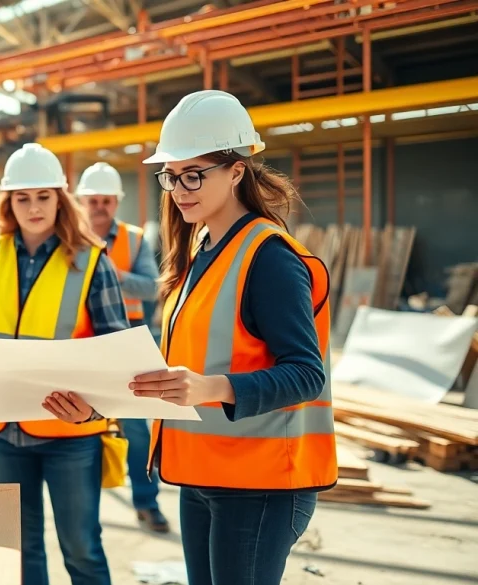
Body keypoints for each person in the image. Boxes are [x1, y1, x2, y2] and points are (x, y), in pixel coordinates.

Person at [130, 90, 337, 585]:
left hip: (260, 486)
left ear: (237, 170)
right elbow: (182, 368)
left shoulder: (269, 257)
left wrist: (211, 388)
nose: (179, 189)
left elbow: (307, 375)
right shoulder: (202, 250)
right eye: (170, 175)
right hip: (202, 475)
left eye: (193, 174)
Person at [0, 143, 130, 585]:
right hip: (4, 433)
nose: (33, 207)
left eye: (43, 196)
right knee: (20, 551)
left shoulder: (91, 260)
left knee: (81, 548)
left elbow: (116, 352)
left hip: (71, 434)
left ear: (60, 199)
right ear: (9, 203)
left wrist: (95, 411)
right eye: (22, 198)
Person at [76, 161, 169, 533]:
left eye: (107, 201)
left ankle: (147, 503)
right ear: (82, 201)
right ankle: (82, 512)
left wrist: (109, 272)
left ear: (117, 203)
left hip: (127, 340)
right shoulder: (67, 238)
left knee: (137, 430)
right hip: (81, 342)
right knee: (81, 429)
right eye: (93, 200)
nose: (100, 206)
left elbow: (152, 287)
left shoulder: (132, 239)